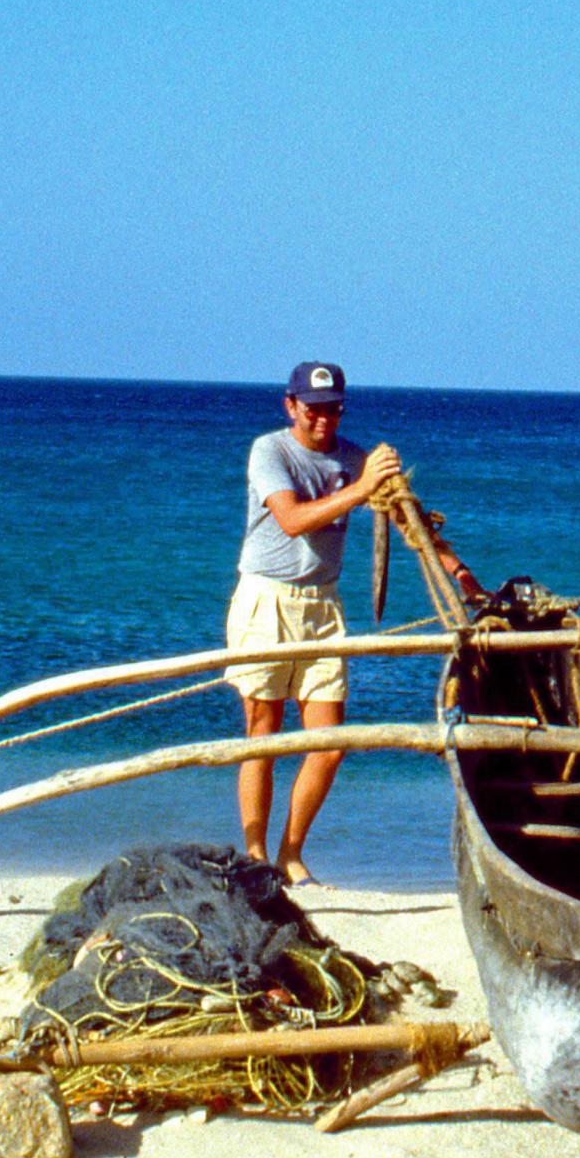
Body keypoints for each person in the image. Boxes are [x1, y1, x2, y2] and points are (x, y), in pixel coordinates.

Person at [225, 360, 477, 884]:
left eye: (333, 409)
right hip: (265, 602)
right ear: (291, 405)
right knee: (263, 733)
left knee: (330, 743)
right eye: (313, 409)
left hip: (323, 606)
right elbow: (292, 520)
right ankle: (254, 854)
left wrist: (460, 572)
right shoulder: (269, 451)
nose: (323, 420)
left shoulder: (352, 459)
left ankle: (290, 855)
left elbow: (409, 517)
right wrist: (363, 488)